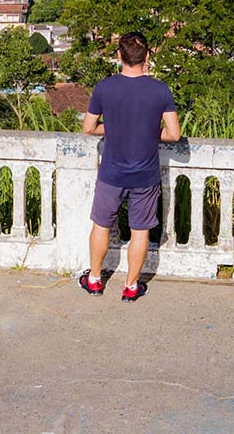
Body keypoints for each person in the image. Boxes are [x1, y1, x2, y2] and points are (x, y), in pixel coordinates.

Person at [78, 31, 181, 302]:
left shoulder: (105, 87)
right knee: (140, 230)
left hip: (112, 172)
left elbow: (88, 128)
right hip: (145, 176)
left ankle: (95, 280)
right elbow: (173, 134)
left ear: (119, 56)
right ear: (147, 57)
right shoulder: (160, 90)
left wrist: (113, 128)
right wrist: (148, 131)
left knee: (101, 225)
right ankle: (131, 286)